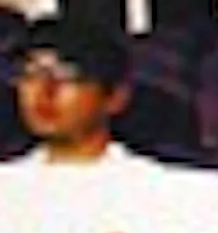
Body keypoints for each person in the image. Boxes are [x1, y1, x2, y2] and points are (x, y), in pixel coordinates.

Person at [13, 16, 147, 166]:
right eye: (32, 73)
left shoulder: (157, 185)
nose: (46, 89)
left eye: (67, 75)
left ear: (116, 97)